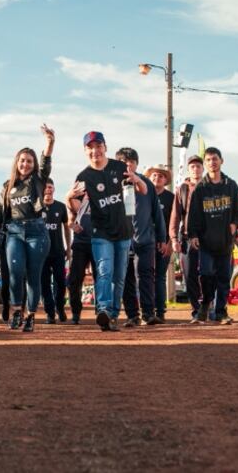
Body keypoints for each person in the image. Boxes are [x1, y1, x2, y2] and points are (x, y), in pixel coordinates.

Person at [69, 132, 146, 332]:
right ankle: (102, 309)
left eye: (98, 146)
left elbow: (144, 190)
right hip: (100, 232)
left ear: (105, 147)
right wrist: (69, 197)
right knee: (104, 271)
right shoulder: (83, 177)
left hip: (123, 232)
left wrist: (136, 178)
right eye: (90, 147)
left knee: (119, 277)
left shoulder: (119, 168)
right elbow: (78, 207)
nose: (95, 151)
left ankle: (112, 315)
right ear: (85, 150)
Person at [0, 125, 55, 333]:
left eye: (29, 161)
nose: (25, 164)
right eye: (22, 160)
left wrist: (50, 142)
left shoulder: (38, 179)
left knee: (33, 276)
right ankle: (17, 311)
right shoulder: (8, 185)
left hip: (37, 231)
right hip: (14, 231)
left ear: (34, 165)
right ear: (17, 162)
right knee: (15, 273)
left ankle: (31, 315)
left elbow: (45, 163)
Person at [187, 147, 238, 325]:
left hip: (225, 241)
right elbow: (194, 214)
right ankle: (204, 306)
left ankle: (221, 312)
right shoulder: (200, 189)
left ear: (221, 161)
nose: (212, 162)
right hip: (206, 241)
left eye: (215, 159)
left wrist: (235, 224)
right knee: (205, 274)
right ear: (205, 164)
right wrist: (193, 235)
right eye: (209, 160)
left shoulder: (231, 185)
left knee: (223, 278)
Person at [117, 148, 166, 327]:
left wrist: (161, 237)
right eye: (124, 162)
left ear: (137, 164)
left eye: (131, 161)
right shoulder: (114, 183)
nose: (128, 164)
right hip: (122, 240)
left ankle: (148, 313)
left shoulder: (146, 184)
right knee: (126, 277)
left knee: (145, 276)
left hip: (145, 240)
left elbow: (157, 213)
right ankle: (132, 315)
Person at [169, 155, 204, 319]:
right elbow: (175, 215)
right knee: (189, 274)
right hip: (187, 237)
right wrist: (174, 238)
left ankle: (208, 307)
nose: (195, 169)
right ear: (188, 170)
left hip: (208, 237)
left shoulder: (209, 186)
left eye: (198, 166)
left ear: (202, 169)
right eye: (192, 167)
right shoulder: (182, 189)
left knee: (208, 274)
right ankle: (196, 309)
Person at [145, 164, 174, 324]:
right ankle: (146, 311)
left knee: (159, 277)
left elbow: (174, 223)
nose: (158, 178)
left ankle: (160, 311)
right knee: (145, 277)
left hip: (163, 244)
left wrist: (169, 243)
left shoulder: (171, 198)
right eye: (154, 175)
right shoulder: (143, 194)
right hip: (144, 242)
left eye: (161, 176)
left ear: (165, 180)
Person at [64, 188, 97, 324]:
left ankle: (102, 310)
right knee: (74, 280)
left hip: (99, 243)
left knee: (101, 278)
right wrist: (73, 226)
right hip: (80, 244)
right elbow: (70, 220)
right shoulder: (79, 198)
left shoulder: (104, 195)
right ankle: (76, 312)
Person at [40, 178, 71, 323]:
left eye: (51, 187)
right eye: (46, 187)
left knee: (61, 282)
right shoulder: (36, 207)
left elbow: (66, 227)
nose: (48, 189)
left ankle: (60, 307)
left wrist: (68, 247)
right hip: (41, 253)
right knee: (44, 283)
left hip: (58, 251)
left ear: (54, 189)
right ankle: (50, 312)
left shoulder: (60, 206)